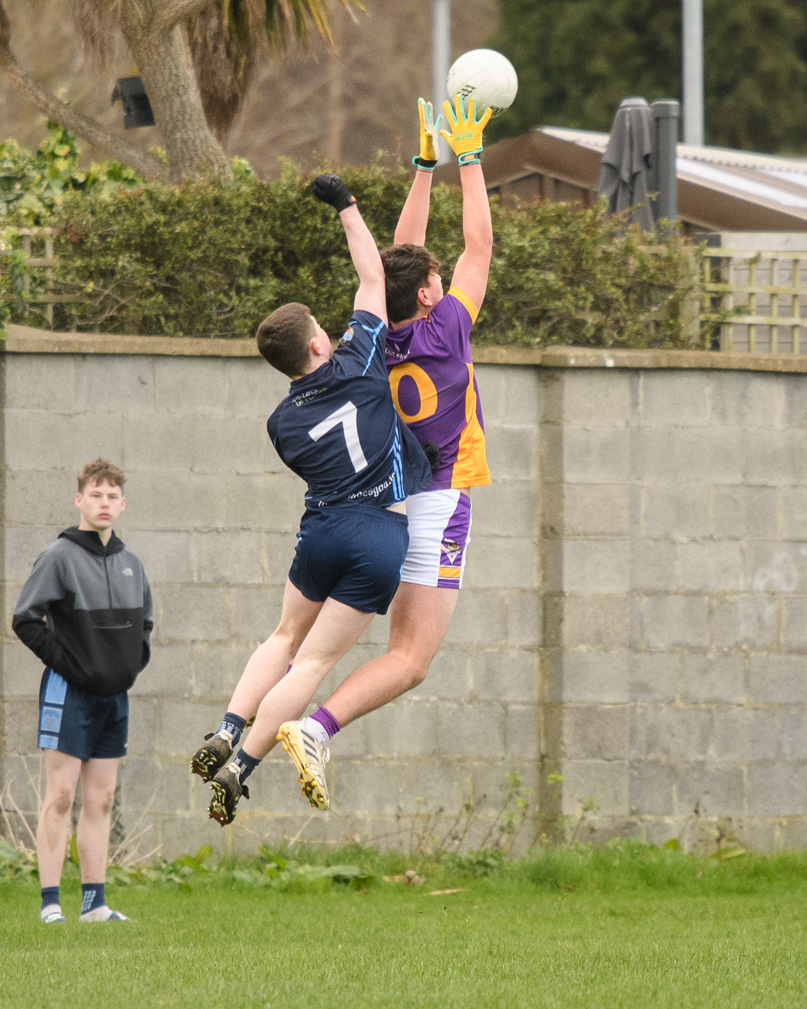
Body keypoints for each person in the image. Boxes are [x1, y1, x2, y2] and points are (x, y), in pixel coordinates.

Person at [192, 97, 494, 816]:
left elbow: (392, 265)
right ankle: (318, 727)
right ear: (430, 295)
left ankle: (239, 733)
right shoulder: (447, 326)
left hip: (340, 512)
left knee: (292, 638)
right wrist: (470, 159)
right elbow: (472, 250)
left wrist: (424, 167)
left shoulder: (367, 353)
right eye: (434, 279)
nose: (441, 278)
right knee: (411, 659)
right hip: (431, 496)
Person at [190, 173, 432, 825]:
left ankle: (226, 726)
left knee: (284, 636)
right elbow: (373, 279)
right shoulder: (360, 359)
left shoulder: (282, 424)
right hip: (377, 535)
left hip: (320, 531)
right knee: (317, 659)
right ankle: (242, 768)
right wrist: (347, 207)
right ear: (321, 343)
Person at [12, 458, 153, 923]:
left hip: (114, 698)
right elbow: (25, 619)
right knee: (61, 796)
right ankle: (51, 904)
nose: (104, 502)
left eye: (112, 496)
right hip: (67, 693)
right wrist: (71, 664)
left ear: (123, 504)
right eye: (96, 494)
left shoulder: (132, 563)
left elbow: (146, 626)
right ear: (80, 500)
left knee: (102, 799)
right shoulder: (59, 557)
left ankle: (95, 904)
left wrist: (129, 666)